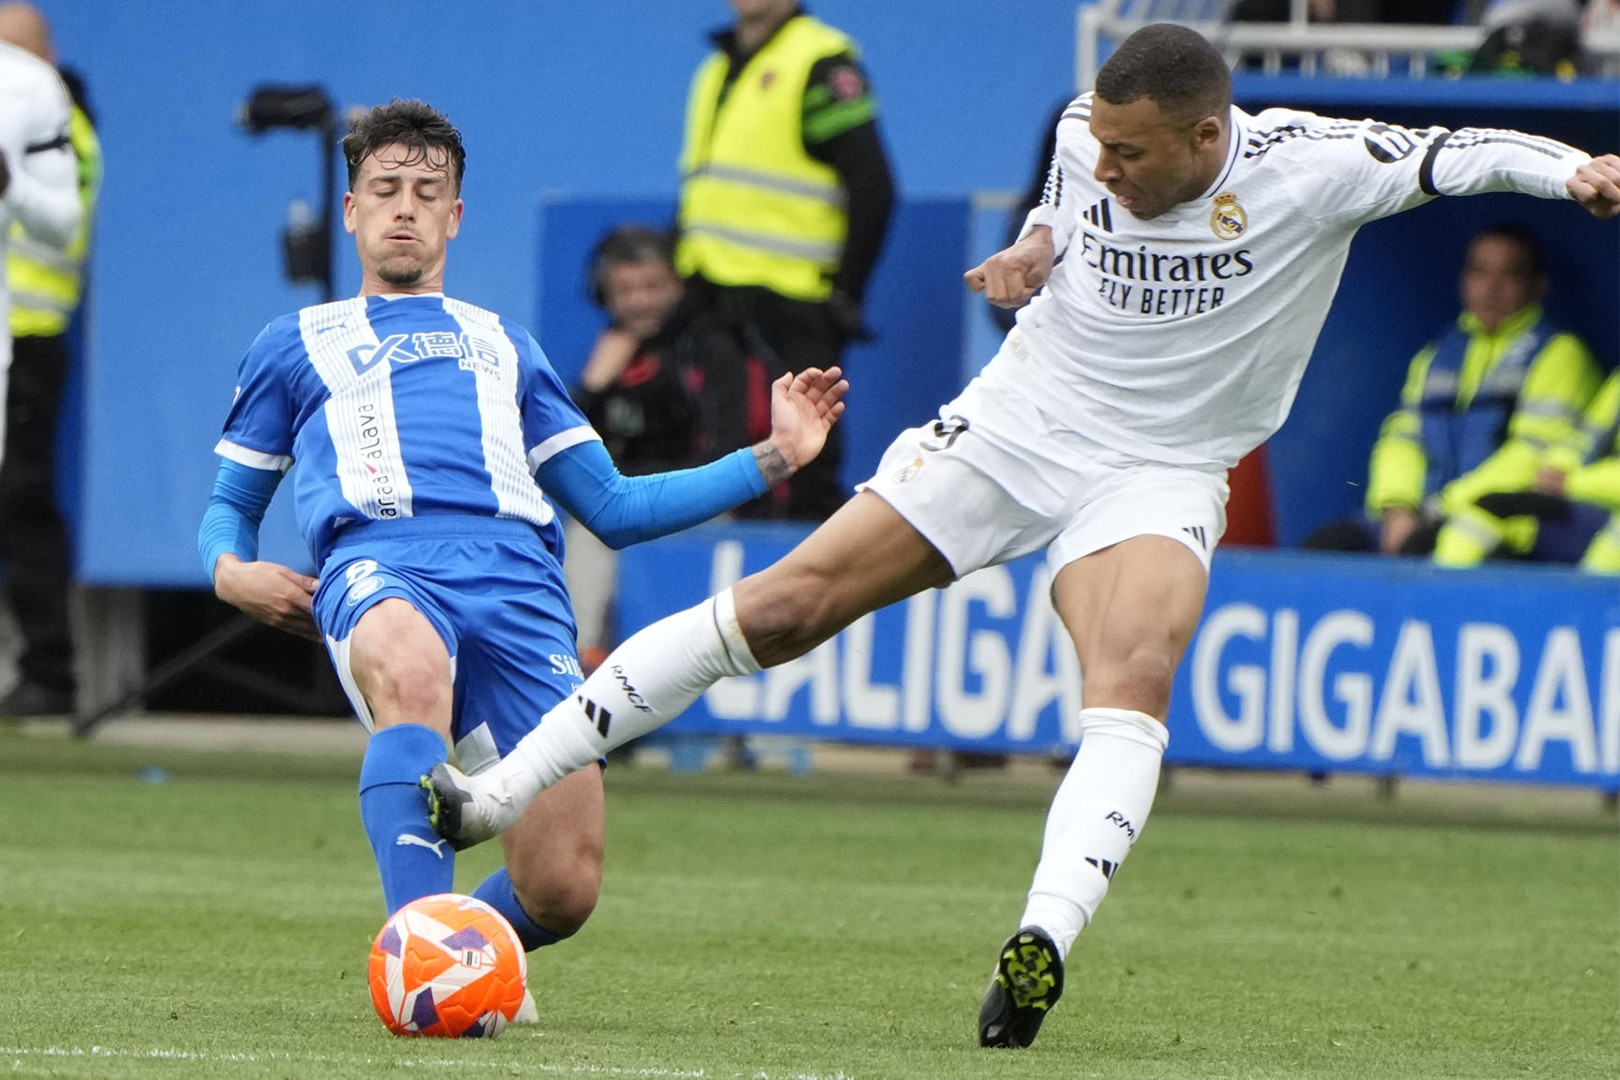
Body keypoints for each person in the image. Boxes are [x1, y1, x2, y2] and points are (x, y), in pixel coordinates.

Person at [424, 24, 1620, 1048]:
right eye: (1100, 138)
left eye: (1134, 151)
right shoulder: (1083, 135)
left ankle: (1040, 941)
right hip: (1021, 423)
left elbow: (1466, 155)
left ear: (1209, 140)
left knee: (1134, 675)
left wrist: (1573, 175)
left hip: (1161, 468)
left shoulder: (1315, 165)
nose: (1107, 160)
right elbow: (1062, 201)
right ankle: (495, 797)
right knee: (784, 608)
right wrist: (1036, 249)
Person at [198, 101, 845, 1001]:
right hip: (382, 560)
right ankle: (419, 959)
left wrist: (772, 456)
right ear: (351, 210)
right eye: (384, 189)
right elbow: (231, 506)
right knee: (408, 666)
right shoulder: (293, 344)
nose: (404, 208)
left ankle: (475, 954)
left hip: (521, 586)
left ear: (455, 217)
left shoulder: (506, 346)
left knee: (563, 888)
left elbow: (613, 506)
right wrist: (229, 572)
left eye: (427, 192)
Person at [676, 0, 895, 521]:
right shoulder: (714, 68)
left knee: (806, 474)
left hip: (794, 303)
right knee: (722, 464)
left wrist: (846, 293)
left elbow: (874, 186)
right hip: (715, 292)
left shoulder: (820, 62)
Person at [1303, 225, 1600, 562]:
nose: (1491, 288)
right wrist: (1397, 508)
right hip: (1421, 516)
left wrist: (1441, 509)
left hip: (1501, 520)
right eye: (1480, 271)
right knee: (1328, 545)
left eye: (1510, 274)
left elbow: (1531, 455)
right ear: (1464, 279)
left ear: (1537, 286)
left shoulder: (1559, 353)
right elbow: (1402, 439)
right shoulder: (1438, 354)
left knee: (1438, 552)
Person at [0, 1, 101, 719]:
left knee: (21, 500)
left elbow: (60, 221)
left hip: (27, 337)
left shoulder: (63, 128)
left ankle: (49, 674)